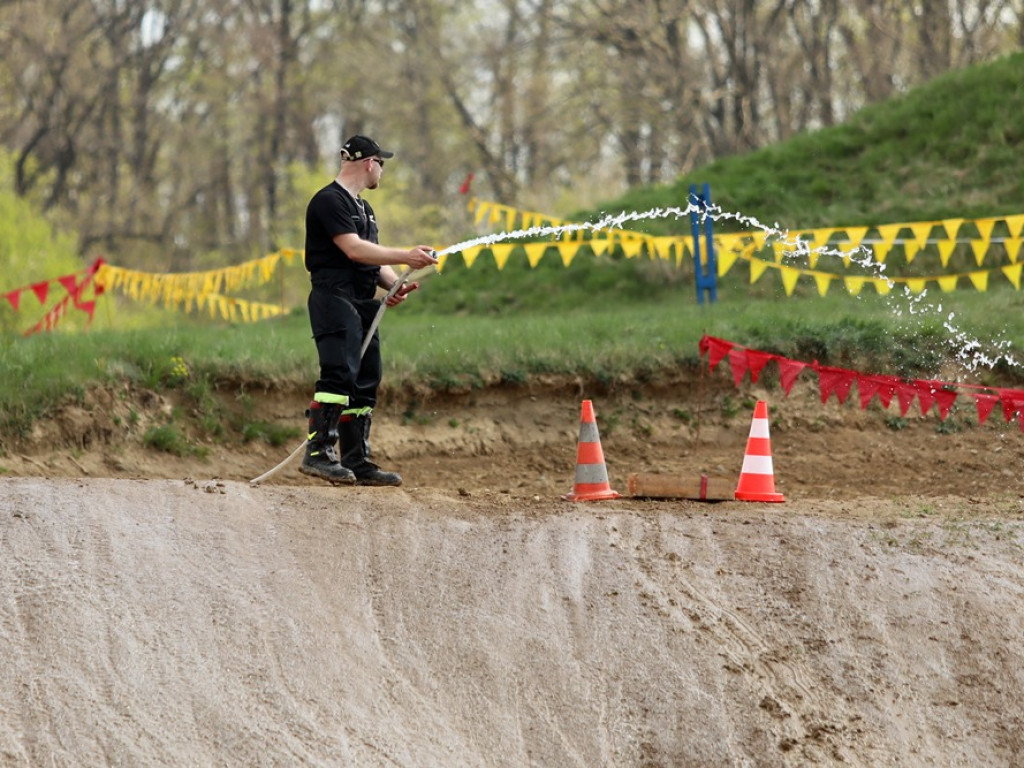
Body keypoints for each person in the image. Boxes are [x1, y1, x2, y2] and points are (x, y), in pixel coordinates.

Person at [300, 135, 438, 486]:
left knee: (365, 378)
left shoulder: (365, 209)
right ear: (368, 163)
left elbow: (373, 262)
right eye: (382, 163)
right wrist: (406, 255)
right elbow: (354, 250)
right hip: (333, 297)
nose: (382, 171)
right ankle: (318, 453)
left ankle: (355, 459)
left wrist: (395, 285)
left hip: (362, 301)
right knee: (339, 373)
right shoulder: (328, 201)